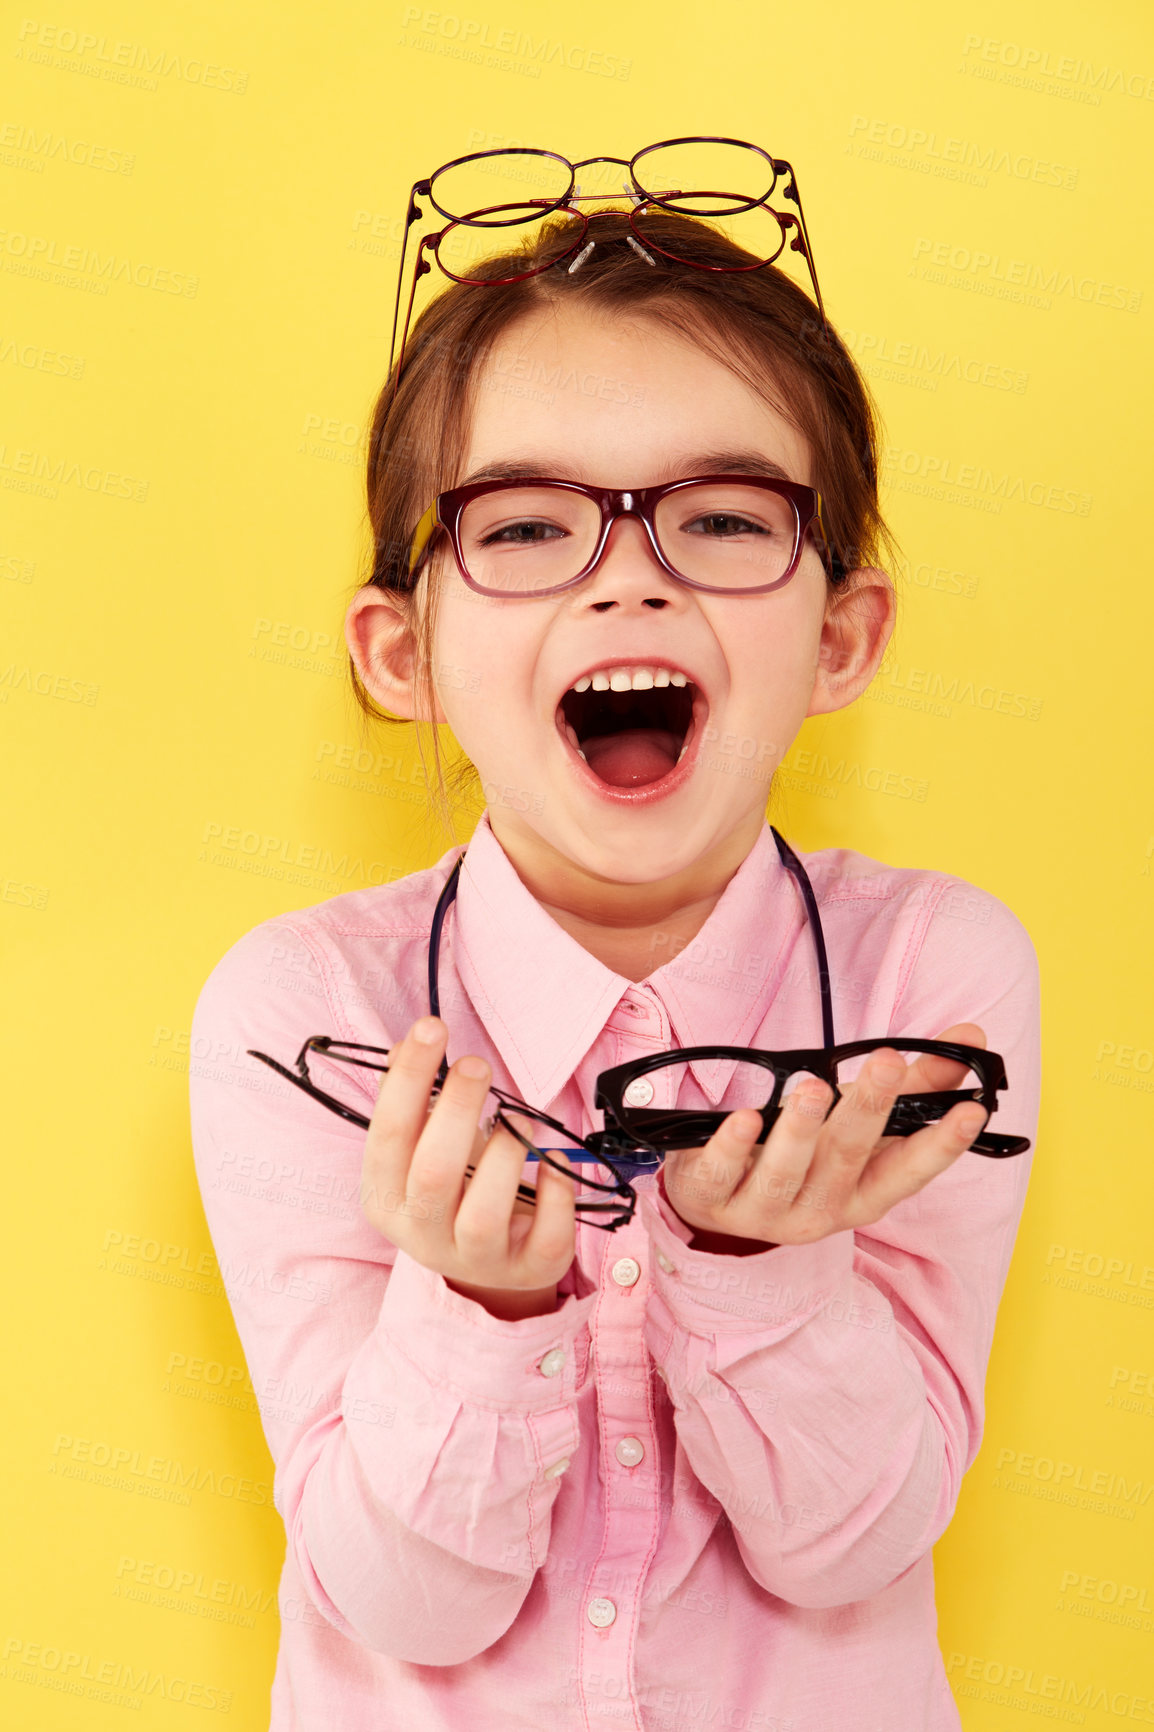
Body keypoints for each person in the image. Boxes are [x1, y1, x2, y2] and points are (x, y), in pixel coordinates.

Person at [189, 170, 1040, 1732]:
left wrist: (762, 1270)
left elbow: (855, 1545)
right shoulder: (303, 1010)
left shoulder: (933, 980)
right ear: (405, 654)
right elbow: (397, 1603)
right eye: (524, 525)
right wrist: (480, 1312)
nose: (628, 574)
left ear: (841, 636)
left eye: (722, 517)